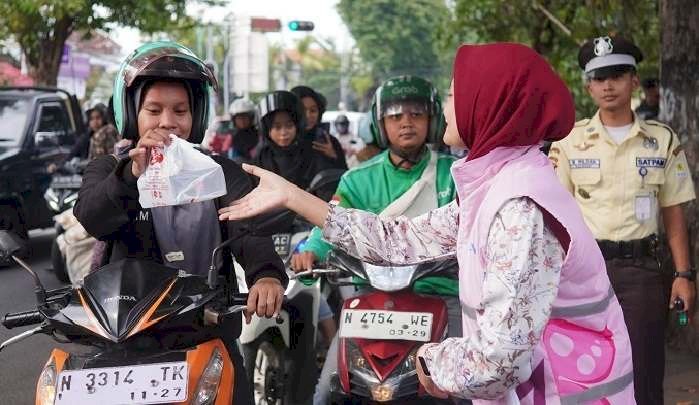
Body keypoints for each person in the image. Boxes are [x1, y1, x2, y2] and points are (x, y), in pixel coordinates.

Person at [219, 43, 636, 403]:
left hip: (564, 392)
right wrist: (293, 196)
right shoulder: (494, 182)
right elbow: (402, 239)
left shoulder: (519, 207)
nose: (447, 108)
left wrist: (428, 357)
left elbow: (498, 361)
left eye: (456, 95)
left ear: (488, 106)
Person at [73, 41, 287, 404]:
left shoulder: (221, 173)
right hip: (126, 344)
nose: (167, 122)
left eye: (180, 111)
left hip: (204, 335)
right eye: (153, 110)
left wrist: (265, 274)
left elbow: (248, 229)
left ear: (197, 116)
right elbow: (93, 217)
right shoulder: (110, 169)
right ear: (131, 114)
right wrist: (132, 174)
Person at [291, 75, 460, 405]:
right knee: (328, 391)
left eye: (416, 114)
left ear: (433, 119)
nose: (406, 123)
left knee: (467, 388)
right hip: (372, 298)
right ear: (381, 123)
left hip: (442, 295)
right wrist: (310, 251)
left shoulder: (455, 175)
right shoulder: (357, 179)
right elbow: (330, 221)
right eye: (395, 116)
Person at [549, 35, 696, 405]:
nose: (608, 85)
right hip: (583, 272)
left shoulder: (662, 140)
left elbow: (673, 211)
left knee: (644, 371)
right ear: (588, 85)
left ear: (633, 79)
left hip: (642, 272)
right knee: (583, 370)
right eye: (599, 77)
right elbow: (555, 217)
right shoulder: (568, 142)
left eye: (617, 74)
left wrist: (683, 275)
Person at [255, 90, 343, 191]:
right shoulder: (261, 157)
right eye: (277, 127)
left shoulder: (313, 153)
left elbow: (335, 196)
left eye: (289, 125)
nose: (283, 132)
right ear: (267, 129)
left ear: (298, 125)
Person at [290, 85, 348, 170]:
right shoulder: (283, 140)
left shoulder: (330, 142)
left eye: (313, 110)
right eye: (302, 110)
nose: (308, 115)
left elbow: (344, 177)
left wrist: (333, 156)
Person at [228, 98, 260, 163]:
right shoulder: (232, 137)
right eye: (239, 118)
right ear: (234, 120)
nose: (242, 121)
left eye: (245, 117)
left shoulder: (259, 135)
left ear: (251, 118)